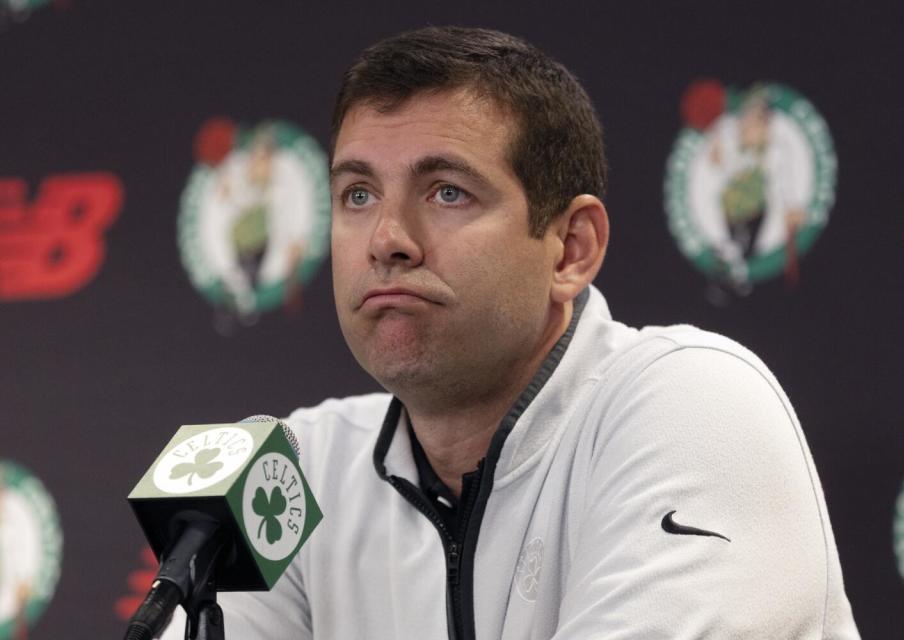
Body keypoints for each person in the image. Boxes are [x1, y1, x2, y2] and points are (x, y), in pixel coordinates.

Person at [162, 26, 860, 639]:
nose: (387, 239)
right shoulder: (294, 473)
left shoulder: (694, 399)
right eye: (358, 194)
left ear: (571, 248)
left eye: (447, 192)